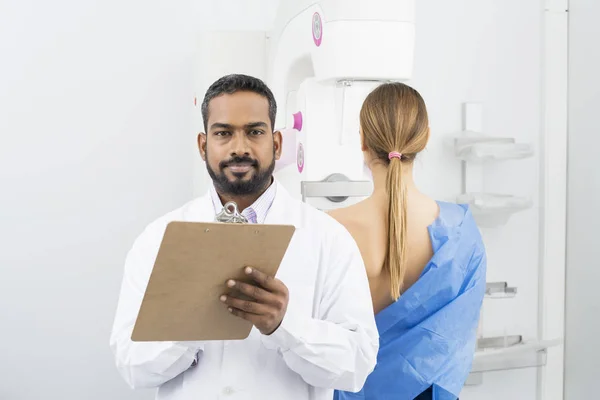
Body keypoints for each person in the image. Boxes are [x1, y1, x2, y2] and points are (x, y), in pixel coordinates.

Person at [109, 74, 379, 400]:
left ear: (276, 144)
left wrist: (285, 326)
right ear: (202, 144)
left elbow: (357, 366)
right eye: (223, 133)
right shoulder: (157, 239)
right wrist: (190, 319)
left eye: (254, 132)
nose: (239, 148)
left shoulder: (329, 239)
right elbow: (131, 365)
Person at [328, 82, 487, 400]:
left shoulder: (331, 229)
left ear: (362, 140)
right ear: (425, 136)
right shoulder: (461, 233)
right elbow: (458, 339)